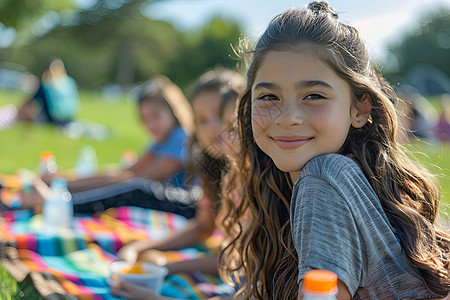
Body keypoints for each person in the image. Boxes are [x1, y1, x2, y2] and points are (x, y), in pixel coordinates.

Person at [217, 2, 450, 299]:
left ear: (360, 108)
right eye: (269, 96)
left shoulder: (322, 177)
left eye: (314, 95)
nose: (287, 116)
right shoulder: (333, 177)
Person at [111, 70, 245, 300]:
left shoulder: (262, 180)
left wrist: (166, 272)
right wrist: (142, 249)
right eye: (202, 119)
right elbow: (205, 229)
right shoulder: (223, 173)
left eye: (223, 116)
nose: (213, 127)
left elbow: (243, 263)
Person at [48, 75, 196, 217]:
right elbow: (126, 171)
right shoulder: (161, 140)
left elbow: (141, 177)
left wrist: (70, 185)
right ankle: (60, 192)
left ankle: (63, 202)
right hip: (159, 198)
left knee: (135, 187)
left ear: (173, 111)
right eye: (144, 119)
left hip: (183, 206)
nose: (150, 125)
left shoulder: (181, 137)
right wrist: (66, 180)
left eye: (155, 116)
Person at [17, 58, 79, 126]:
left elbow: (32, 100)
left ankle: (16, 117)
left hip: (53, 118)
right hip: (70, 117)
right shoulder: (69, 81)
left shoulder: (47, 84)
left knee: (28, 106)